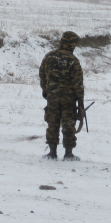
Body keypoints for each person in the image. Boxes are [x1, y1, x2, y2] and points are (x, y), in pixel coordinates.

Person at [38, 31, 85, 161]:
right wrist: (80, 100)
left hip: (52, 97)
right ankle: (68, 153)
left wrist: (46, 90)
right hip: (68, 99)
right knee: (68, 123)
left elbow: (42, 75)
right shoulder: (73, 60)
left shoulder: (49, 56)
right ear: (72, 44)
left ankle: (52, 152)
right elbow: (78, 82)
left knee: (52, 122)